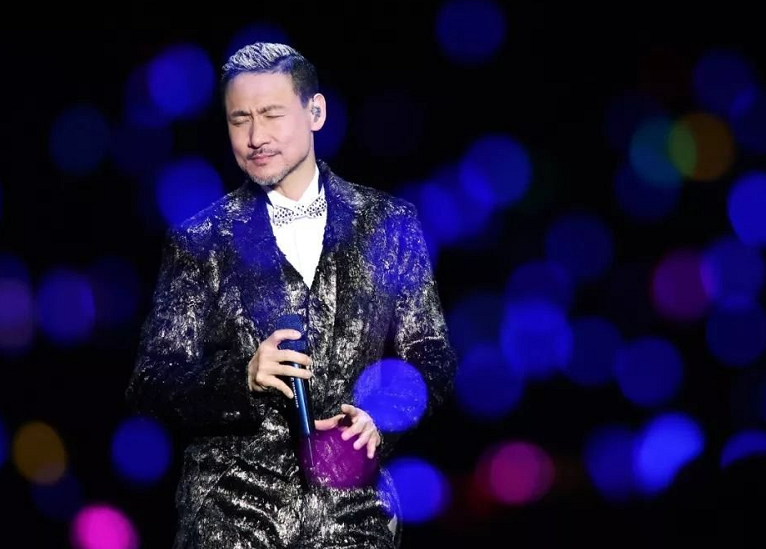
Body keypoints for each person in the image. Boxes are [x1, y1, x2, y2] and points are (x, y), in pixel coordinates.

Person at [125, 41, 456, 548]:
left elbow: (431, 356)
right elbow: (152, 381)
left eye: (272, 115)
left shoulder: (388, 224)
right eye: (239, 119)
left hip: (354, 518)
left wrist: (381, 415)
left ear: (315, 112)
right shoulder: (201, 240)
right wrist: (242, 377)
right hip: (232, 520)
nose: (255, 137)